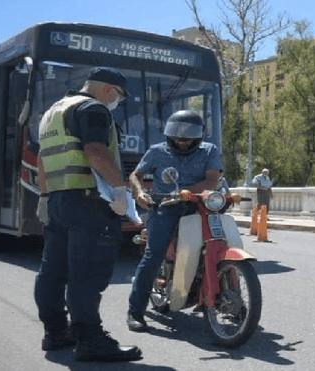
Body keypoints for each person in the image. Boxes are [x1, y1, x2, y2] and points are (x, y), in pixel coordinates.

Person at [34, 67, 142, 362]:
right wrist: (121, 190)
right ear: (109, 90)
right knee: (86, 274)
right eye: (119, 96)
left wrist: (45, 196)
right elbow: (95, 151)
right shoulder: (93, 108)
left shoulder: (53, 112)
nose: (117, 101)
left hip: (57, 201)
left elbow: (43, 160)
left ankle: (56, 332)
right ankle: (90, 339)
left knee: (53, 271)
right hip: (88, 202)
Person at [127, 110, 222, 332]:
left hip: (199, 206)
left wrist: (186, 193)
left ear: (199, 136)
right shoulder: (157, 151)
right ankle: (135, 311)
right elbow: (135, 175)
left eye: (187, 137)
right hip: (166, 208)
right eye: (177, 136)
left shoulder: (209, 151)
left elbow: (212, 179)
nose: (181, 141)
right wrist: (139, 192)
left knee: (218, 243)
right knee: (154, 255)